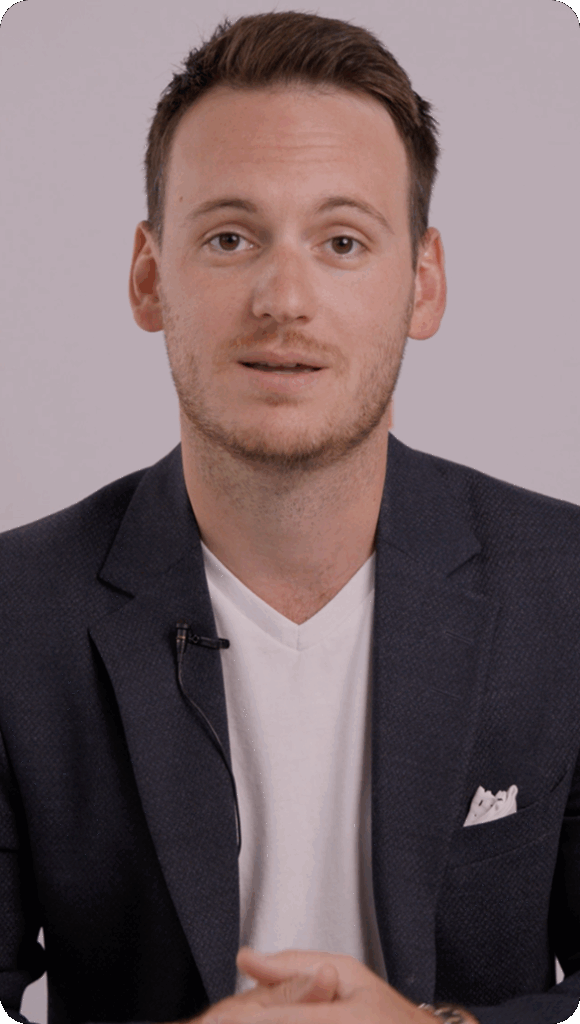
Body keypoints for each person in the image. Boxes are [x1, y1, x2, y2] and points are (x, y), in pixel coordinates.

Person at [1, 10, 579, 1024]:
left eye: (342, 241)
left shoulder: (566, 587)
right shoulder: (14, 612)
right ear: (149, 276)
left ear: (423, 283)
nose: (283, 298)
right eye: (230, 237)